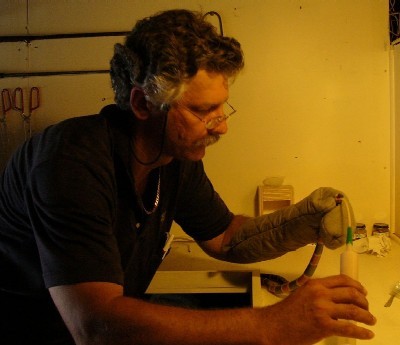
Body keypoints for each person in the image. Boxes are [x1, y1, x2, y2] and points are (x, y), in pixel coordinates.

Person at [0, 9, 376, 345]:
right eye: (202, 110)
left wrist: (302, 222)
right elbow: (94, 326)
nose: (222, 126)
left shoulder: (173, 156)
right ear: (142, 104)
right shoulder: (69, 162)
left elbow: (225, 238)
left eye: (221, 106)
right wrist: (271, 325)